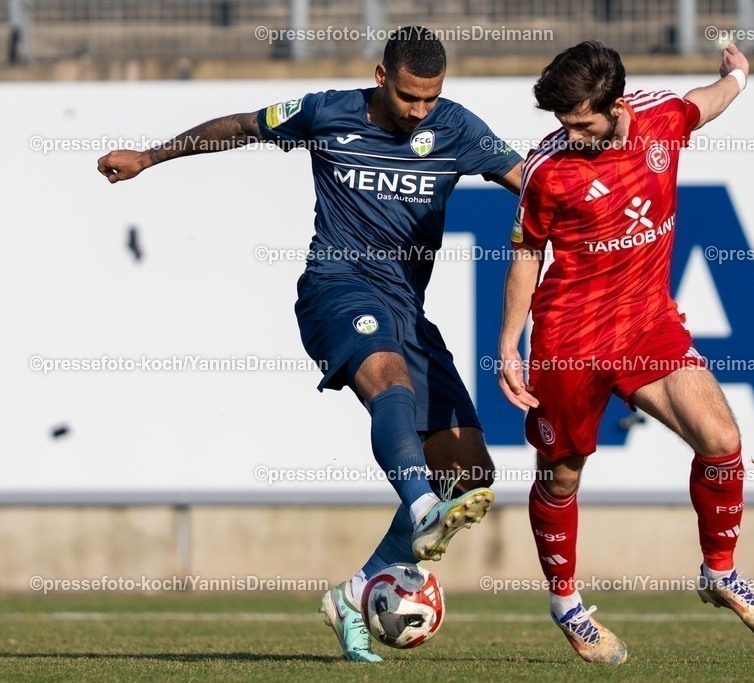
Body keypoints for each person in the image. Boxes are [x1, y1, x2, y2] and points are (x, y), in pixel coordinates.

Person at [97, 26, 523, 663]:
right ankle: (420, 505)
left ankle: (354, 592)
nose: (419, 111)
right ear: (381, 77)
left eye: (430, 98)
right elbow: (240, 125)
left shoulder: (457, 127)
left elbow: (534, 184)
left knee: (470, 475)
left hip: (408, 310)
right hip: (337, 288)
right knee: (390, 381)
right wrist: (150, 157)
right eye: (409, 96)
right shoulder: (327, 113)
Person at [498, 41, 754, 665]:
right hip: (570, 338)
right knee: (561, 474)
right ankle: (567, 605)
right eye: (562, 122)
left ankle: (719, 571)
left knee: (722, 440)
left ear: (616, 105)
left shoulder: (660, 120)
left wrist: (738, 76)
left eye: (581, 123)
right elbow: (526, 253)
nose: (570, 134)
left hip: (648, 325)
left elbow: (704, 102)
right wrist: (508, 344)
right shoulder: (548, 168)